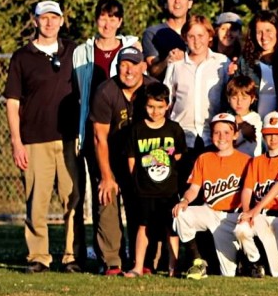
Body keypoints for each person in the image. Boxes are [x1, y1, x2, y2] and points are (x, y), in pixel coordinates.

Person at [4, 0, 81, 273]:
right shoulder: (22, 57)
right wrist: (16, 141)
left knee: (73, 198)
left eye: (54, 17)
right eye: (43, 18)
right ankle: (39, 256)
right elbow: (12, 102)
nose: (49, 23)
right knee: (37, 200)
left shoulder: (74, 51)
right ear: (34, 21)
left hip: (70, 138)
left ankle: (72, 256)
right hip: (35, 139)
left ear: (62, 20)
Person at [71, 0, 139, 264]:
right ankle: (111, 257)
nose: (108, 23)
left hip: (127, 135)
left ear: (120, 21)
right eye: (103, 17)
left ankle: (140, 256)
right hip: (95, 133)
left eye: (113, 18)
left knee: (135, 195)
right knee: (105, 194)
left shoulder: (131, 47)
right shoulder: (82, 53)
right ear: (96, 19)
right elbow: (78, 92)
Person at [90, 46, 156, 275]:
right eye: (123, 65)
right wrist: (107, 176)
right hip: (111, 156)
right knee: (106, 198)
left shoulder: (152, 88)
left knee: (145, 206)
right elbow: (100, 138)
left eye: (134, 64)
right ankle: (112, 261)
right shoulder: (106, 91)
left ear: (143, 66)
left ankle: (145, 259)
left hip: (143, 159)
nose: (128, 70)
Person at [171, 113, 250, 278]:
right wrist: (185, 200)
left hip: (233, 216)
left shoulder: (247, 161)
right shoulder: (204, 158)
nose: (221, 137)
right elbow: (194, 188)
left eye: (227, 132)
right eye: (216, 132)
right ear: (211, 134)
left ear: (235, 134)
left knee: (228, 273)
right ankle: (197, 262)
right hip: (210, 211)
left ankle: (248, 262)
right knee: (181, 214)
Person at [125, 82, 186, 278]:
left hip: (168, 190)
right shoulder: (137, 130)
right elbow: (132, 160)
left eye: (160, 107)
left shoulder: (174, 129)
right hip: (145, 189)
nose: (155, 111)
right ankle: (138, 266)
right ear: (144, 105)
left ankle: (173, 266)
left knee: (171, 228)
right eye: (151, 106)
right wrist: (139, 181)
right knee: (143, 226)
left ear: (168, 105)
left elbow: (178, 157)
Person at [234, 112, 278, 278]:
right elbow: (247, 189)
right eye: (269, 134)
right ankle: (255, 262)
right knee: (241, 229)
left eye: (277, 134)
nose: (273, 138)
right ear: (263, 135)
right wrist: (247, 212)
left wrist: (254, 210)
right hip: (261, 217)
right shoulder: (256, 161)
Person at [163, 15, 229, 157]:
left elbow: (229, 96)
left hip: (213, 137)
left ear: (210, 36)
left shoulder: (222, 62)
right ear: (185, 38)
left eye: (201, 35)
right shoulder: (176, 65)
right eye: (191, 36)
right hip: (182, 137)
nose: (196, 41)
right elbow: (166, 100)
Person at [238, 10, 278, 119]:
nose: (264, 37)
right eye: (259, 32)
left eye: (268, 31)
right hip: (251, 126)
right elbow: (233, 95)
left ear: (277, 31)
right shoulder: (245, 62)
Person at [142, 0, 194, 67]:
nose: (177, 1)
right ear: (166, 4)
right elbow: (153, 70)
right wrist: (168, 60)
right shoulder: (153, 33)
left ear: (190, 3)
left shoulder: (198, 32)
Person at [225, 75, 263, 157]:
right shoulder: (226, 117)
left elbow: (251, 135)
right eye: (234, 98)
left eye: (244, 98)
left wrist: (241, 123)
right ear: (228, 98)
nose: (239, 103)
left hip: (251, 161)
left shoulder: (255, 118)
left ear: (252, 99)